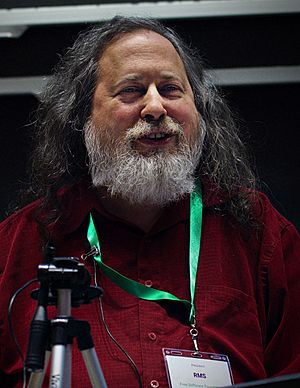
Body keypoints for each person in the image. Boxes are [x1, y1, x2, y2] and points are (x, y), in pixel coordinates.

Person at [0, 15, 299, 388]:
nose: (155, 108)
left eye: (172, 89)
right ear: (81, 119)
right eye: (131, 90)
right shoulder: (17, 246)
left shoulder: (258, 231)